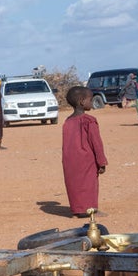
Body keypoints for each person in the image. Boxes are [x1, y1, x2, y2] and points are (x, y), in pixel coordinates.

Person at [61, 86, 108, 218]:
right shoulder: (89, 121)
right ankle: (91, 210)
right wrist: (101, 161)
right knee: (89, 184)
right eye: (90, 99)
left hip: (70, 160)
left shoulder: (67, 122)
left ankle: (77, 210)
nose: (92, 102)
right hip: (87, 159)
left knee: (74, 184)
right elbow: (96, 143)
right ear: (82, 101)